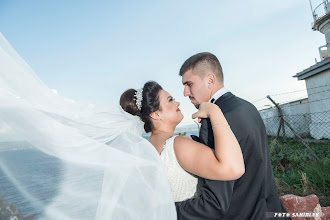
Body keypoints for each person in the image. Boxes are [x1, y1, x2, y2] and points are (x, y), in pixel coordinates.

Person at [175, 52, 288, 219]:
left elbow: (215, 203)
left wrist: (162, 210)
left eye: (189, 84)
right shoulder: (247, 107)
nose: (185, 92)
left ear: (210, 80)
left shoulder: (214, 121)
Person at [120, 81, 245, 202]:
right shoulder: (176, 145)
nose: (178, 103)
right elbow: (234, 169)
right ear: (156, 114)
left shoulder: (144, 151)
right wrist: (214, 112)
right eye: (170, 100)